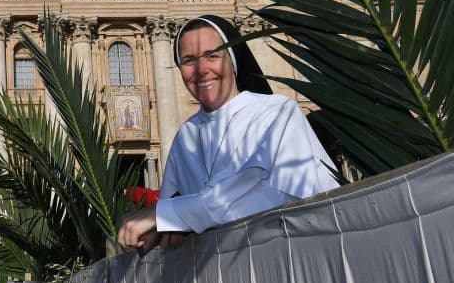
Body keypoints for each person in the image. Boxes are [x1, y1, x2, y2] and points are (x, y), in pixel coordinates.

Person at [116, 15, 339, 252]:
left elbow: (276, 199)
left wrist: (167, 216)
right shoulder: (186, 135)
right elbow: (172, 212)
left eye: (212, 55)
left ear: (233, 60)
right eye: (189, 60)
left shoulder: (277, 112)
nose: (201, 70)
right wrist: (158, 232)